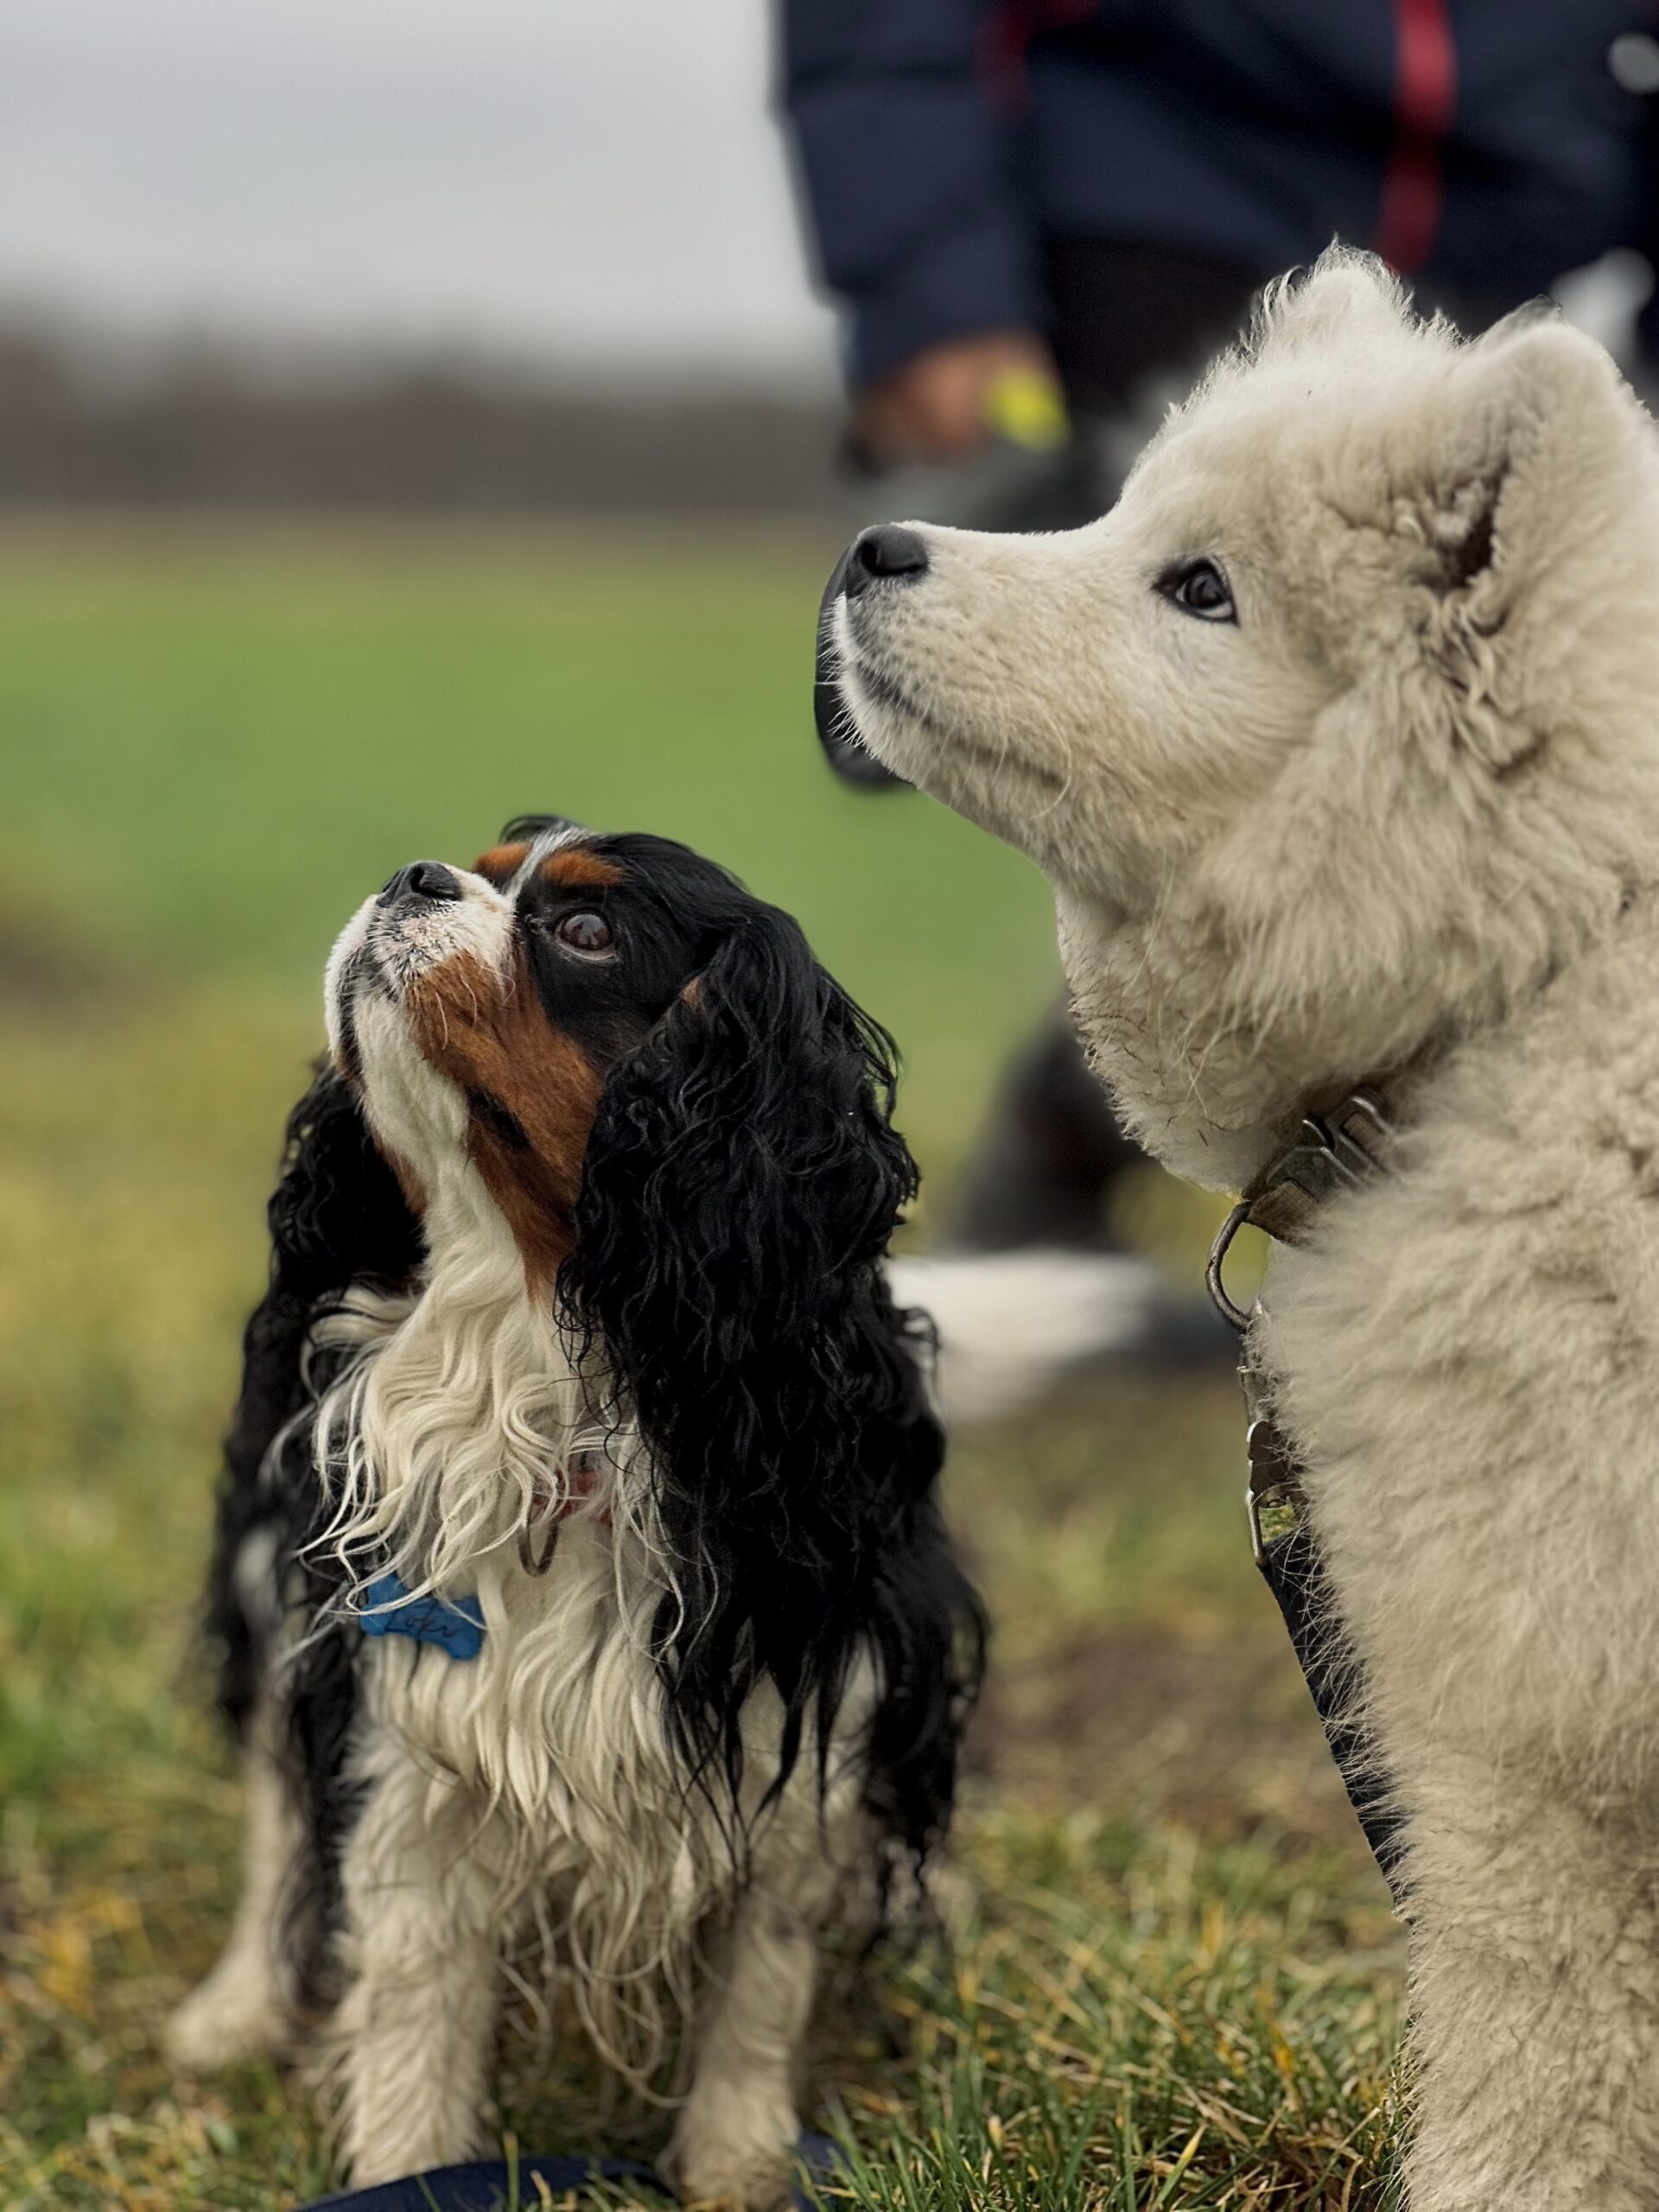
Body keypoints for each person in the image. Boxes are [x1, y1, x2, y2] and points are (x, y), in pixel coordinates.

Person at [779, 0, 1659, 1250]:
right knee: (1185, 746)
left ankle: (1389, 1236)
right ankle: (1070, 1159)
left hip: (1506, 226)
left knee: (1444, 807)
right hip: (1166, 161)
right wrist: (929, 288)